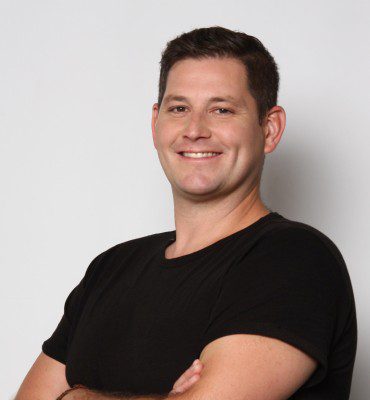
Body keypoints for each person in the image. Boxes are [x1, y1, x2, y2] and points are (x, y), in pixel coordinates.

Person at [15, 26, 357, 400]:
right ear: (155, 122)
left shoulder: (295, 258)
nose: (195, 130)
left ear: (270, 129)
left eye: (221, 109)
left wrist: (77, 396)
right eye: (179, 109)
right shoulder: (110, 269)